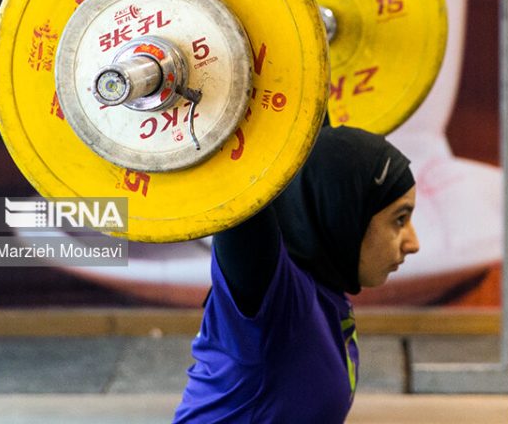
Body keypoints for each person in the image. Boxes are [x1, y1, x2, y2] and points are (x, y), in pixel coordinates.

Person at [173, 125, 420, 423]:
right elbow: (239, 185)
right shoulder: (274, 300)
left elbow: (304, 120)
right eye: (399, 219)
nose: (413, 243)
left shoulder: (324, 283)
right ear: (345, 212)